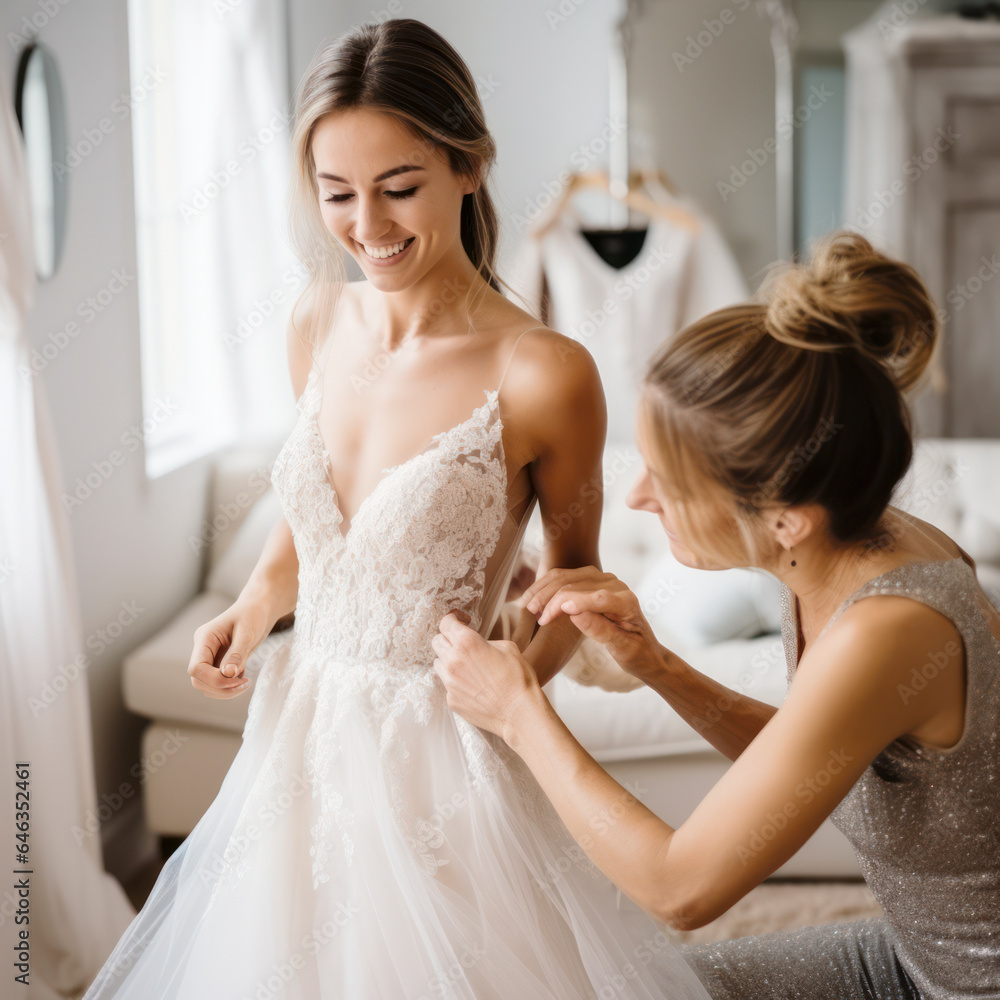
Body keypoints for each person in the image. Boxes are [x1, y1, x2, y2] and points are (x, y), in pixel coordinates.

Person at [82, 18, 715, 1000]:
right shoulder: (313, 322)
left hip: (441, 753)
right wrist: (254, 605)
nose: (366, 226)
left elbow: (570, 585)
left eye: (399, 188)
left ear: (469, 166)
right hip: (298, 730)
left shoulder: (543, 371)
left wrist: (513, 687)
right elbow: (323, 516)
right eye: (336, 194)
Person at [433, 229, 1000, 1000]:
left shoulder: (891, 623)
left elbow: (681, 890)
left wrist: (517, 711)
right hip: (912, 955)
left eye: (668, 481)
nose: (637, 498)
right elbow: (815, 760)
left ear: (784, 518)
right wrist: (659, 667)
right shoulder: (834, 553)